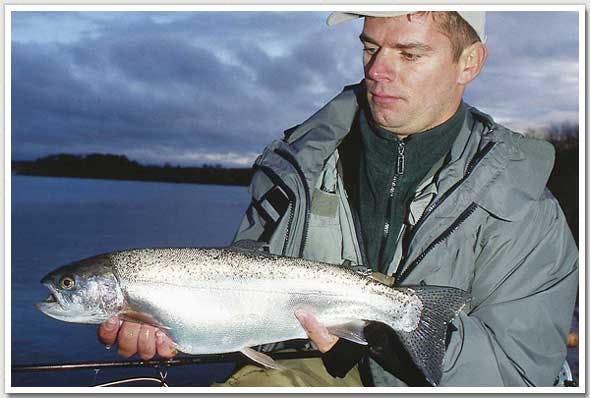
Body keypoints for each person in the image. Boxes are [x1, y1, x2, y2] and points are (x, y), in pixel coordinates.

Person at [98, 11, 579, 387]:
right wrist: (180, 325)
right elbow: (244, 291)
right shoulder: (292, 169)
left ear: (469, 63)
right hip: (314, 370)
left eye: (409, 55)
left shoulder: (528, 211)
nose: (377, 71)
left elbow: (518, 375)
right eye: (370, 47)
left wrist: (382, 341)